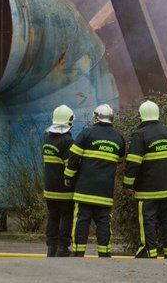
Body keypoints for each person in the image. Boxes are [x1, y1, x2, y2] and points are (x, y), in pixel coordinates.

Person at [123, 99, 167, 259]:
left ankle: (148, 251)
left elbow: (133, 163)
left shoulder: (140, 135)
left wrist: (128, 185)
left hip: (147, 191)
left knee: (148, 221)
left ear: (141, 116)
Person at [64, 103, 126, 258]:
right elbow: (119, 160)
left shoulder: (87, 134)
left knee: (81, 221)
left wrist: (68, 177)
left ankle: (79, 253)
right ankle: (104, 254)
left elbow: (73, 157)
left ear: (96, 117)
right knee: (104, 222)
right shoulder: (118, 138)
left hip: (84, 190)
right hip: (105, 191)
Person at [40, 105, 76, 257]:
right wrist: (70, 178)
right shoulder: (67, 141)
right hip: (64, 189)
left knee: (53, 216)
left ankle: (51, 247)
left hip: (49, 188)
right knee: (66, 217)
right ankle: (63, 247)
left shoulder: (46, 138)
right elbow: (70, 164)